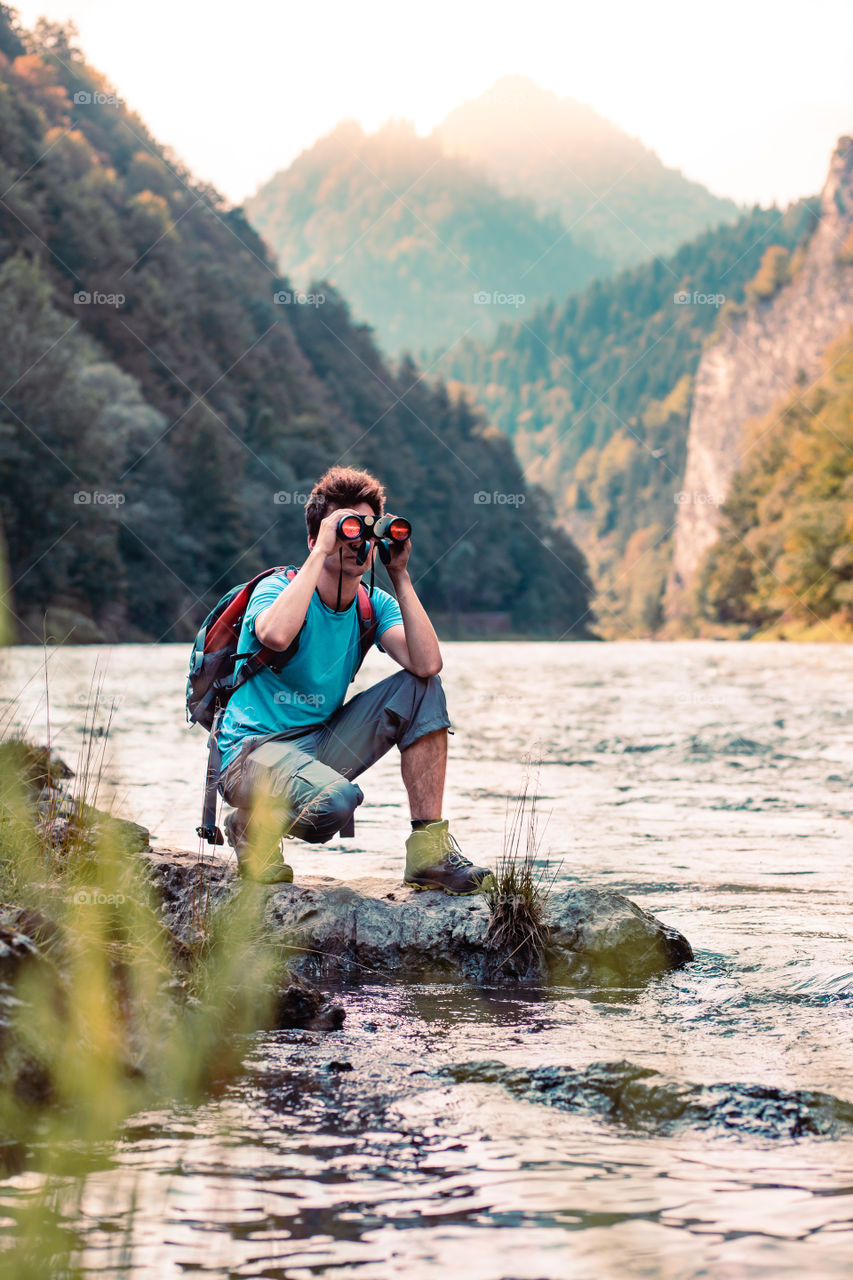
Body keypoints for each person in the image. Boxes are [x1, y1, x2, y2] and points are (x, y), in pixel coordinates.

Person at [215, 465, 495, 894]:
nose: (357, 541)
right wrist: (319, 553)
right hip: (252, 755)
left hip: (318, 743)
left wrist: (399, 574)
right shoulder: (277, 589)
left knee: (422, 689)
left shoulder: (371, 603)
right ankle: (250, 827)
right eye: (346, 528)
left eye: (366, 530)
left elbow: (427, 664)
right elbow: (275, 634)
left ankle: (429, 852)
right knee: (336, 804)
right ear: (316, 537)